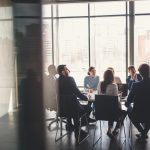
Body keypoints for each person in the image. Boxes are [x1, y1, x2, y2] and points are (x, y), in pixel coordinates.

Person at [57, 65, 96, 141]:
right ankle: (78, 131)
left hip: (62, 108)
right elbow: (77, 92)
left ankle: (70, 125)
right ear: (63, 71)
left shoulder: (57, 80)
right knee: (88, 108)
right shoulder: (70, 79)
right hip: (73, 108)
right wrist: (86, 98)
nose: (68, 70)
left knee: (70, 107)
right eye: (66, 69)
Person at [97, 69, 127, 139]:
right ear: (112, 76)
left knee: (110, 109)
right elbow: (116, 100)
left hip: (101, 111)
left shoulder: (100, 83)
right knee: (124, 112)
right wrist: (119, 97)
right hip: (111, 111)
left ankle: (110, 130)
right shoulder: (113, 85)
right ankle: (116, 129)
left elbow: (98, 95)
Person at [125, 64, 150, 142]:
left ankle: (142, 132)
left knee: (129, 111)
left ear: (140, 73)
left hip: (138, 113)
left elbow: (128, 102)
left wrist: (128, 104)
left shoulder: (136, 85)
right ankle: (144, 132)